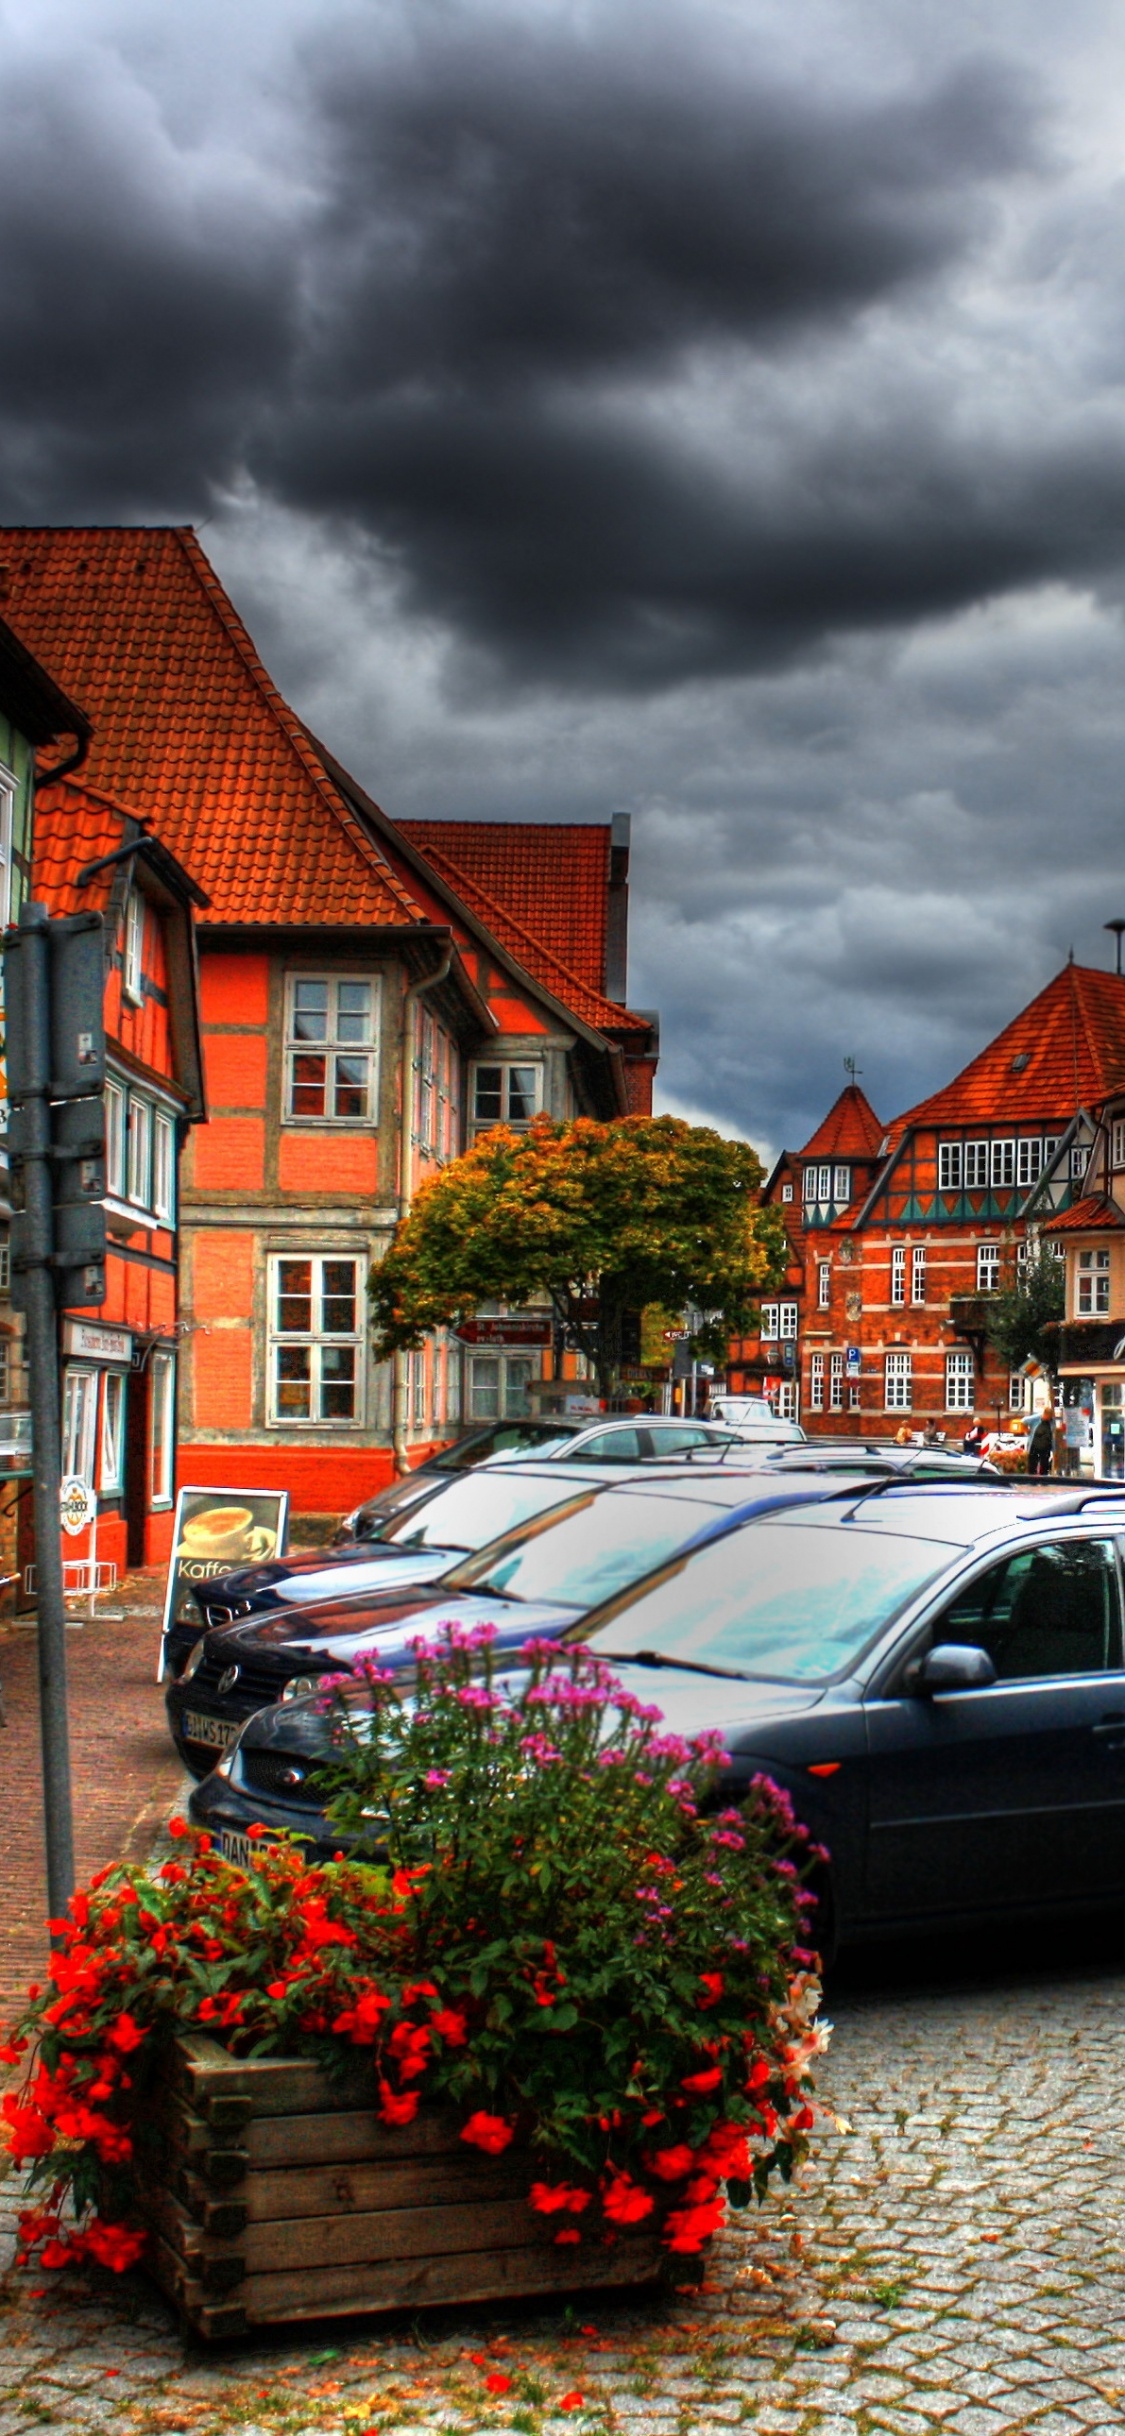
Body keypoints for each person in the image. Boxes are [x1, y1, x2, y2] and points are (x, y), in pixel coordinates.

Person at [1027, 1407, 1053, 1477]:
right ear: (1044, 1414)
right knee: (1032, 1466)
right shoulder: (1037, 1419)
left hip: (1045, 1448)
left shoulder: (1051, 1422)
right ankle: (1032, 1481)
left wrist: (1054, 1449)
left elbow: (1053, 1436)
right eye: (1047, 1415)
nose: (1048, 1417)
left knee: (1044, 1466)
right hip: (1034, 1446)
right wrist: (1026, 1430)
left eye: (1049, 1416)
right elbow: (1024, 1420)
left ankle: (1043, 1481)